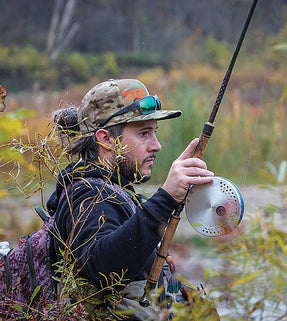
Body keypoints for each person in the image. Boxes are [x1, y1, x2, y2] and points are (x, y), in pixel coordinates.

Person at [47, 79, 214, 320]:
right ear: (105, 139)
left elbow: (124, 252)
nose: (156, 146)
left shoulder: (114, 190)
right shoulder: (87, 195)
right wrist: (165, 198)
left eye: (154, 132)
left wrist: (155, 260)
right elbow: (102, 269)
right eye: (144, 133)